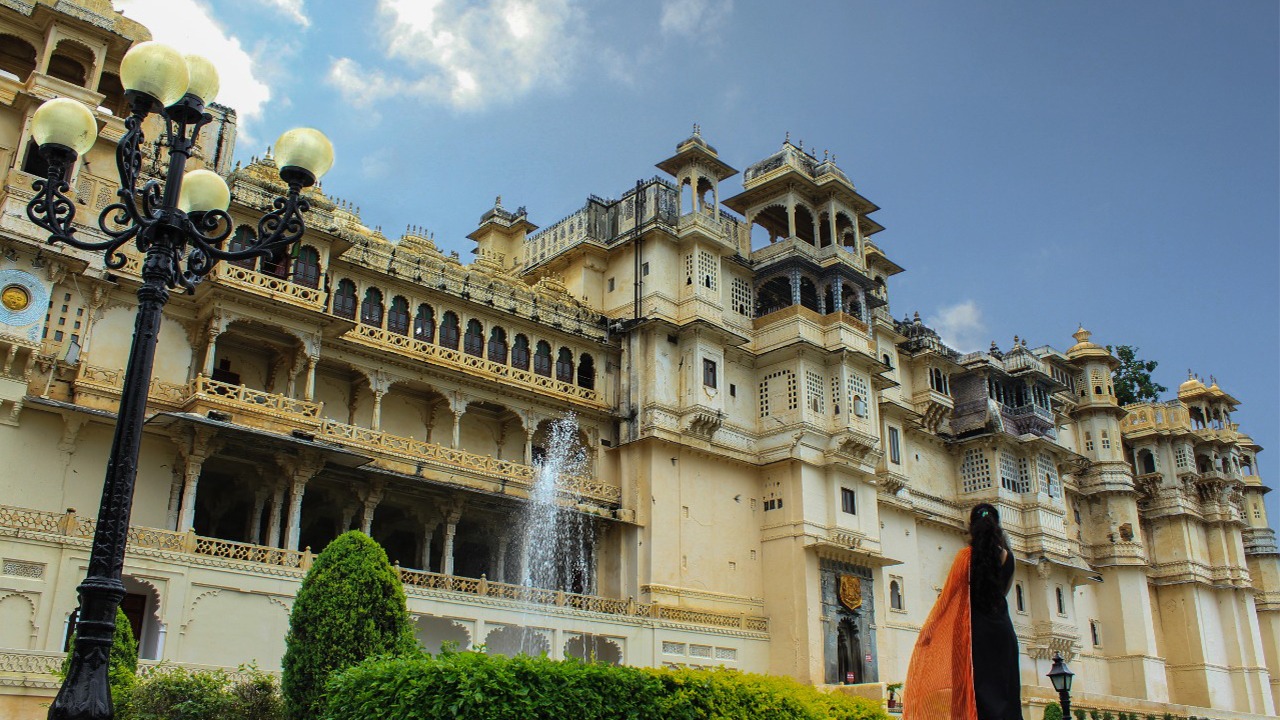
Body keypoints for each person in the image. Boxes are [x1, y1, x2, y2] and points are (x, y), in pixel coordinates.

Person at [903, 503, 1023, 720]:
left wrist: (929, 630)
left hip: (973, 634)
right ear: (997, 527)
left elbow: (947, 598)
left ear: (972, 527)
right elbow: (1002, 593)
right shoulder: (1008, 557)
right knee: (1006, 694)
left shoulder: (965, 557)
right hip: (1003, 633)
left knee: (977, 693)